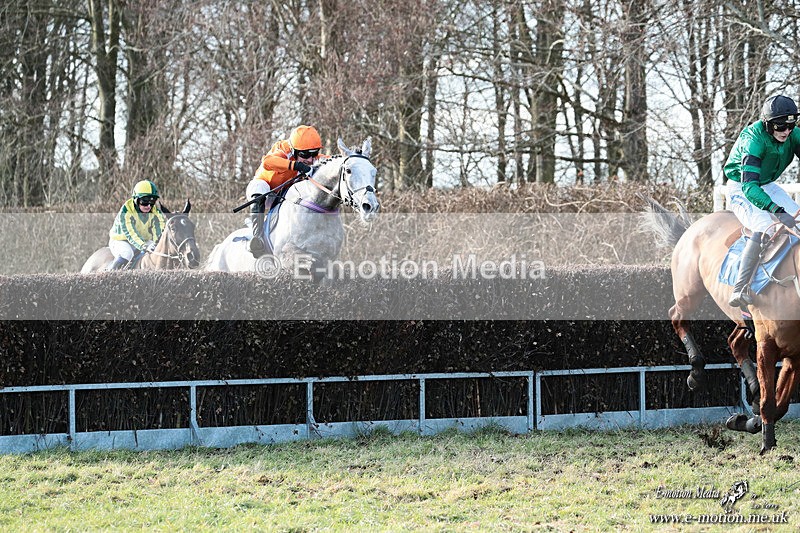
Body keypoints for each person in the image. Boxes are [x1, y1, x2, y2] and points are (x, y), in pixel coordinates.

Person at [724, 94, 800, 307]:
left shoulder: (792, 134)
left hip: (766, 184)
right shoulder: (753, 140)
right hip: (742, 186)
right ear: (768, 125)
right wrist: (777, 210)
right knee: (766, 227)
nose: (786, 132)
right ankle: (741, 287)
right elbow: (750, 187)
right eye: (781, 127)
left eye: (790, 126)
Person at [245, 125, 327, 258]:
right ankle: (257, 238)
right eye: (305, 155)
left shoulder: (311, 157)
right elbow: (267, 162)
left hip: (285, 194)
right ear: (294, 150)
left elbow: (330, 160)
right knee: (258, 186)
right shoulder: (282, 149)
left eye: (314, 153)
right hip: (266, 192)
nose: (310, 159)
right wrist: (296, 165)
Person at [107, 180, 166, 270]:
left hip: (142, 241)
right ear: (136, 199)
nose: (149, 206)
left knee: (157, 252)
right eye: (145, 201)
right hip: (121, 241)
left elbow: (159, 232)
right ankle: (110, 276)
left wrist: (156, 244)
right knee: (127, 253)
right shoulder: (126, 211)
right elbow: (131, 234)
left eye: (152, 201)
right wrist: (144, 246)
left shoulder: (156, 212)